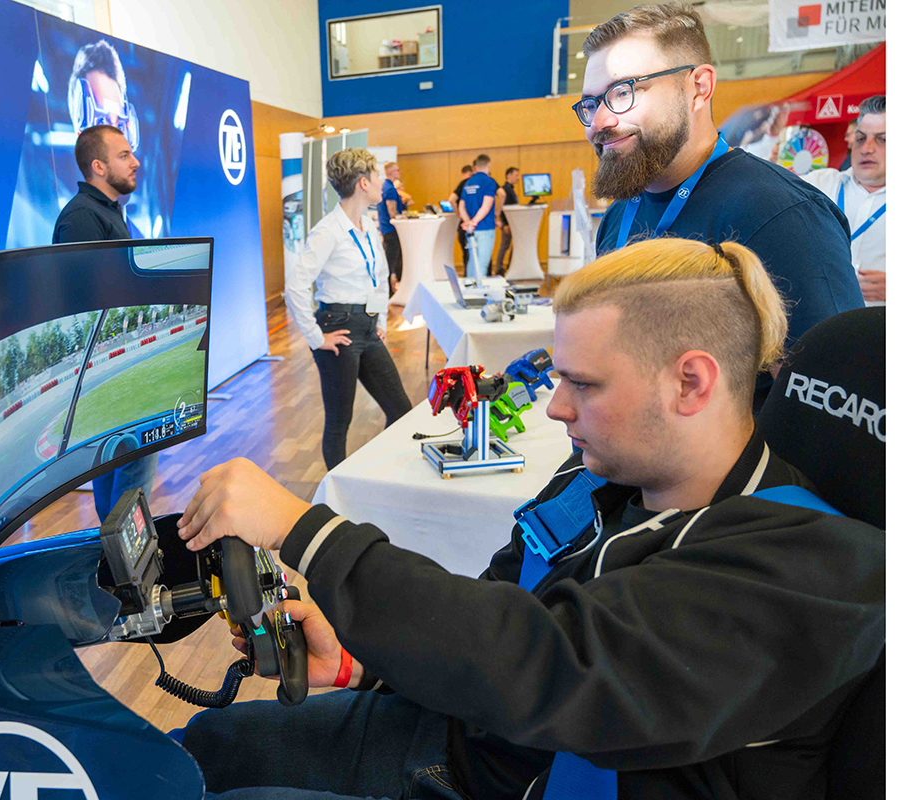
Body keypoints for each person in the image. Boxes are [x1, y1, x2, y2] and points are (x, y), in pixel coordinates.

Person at [175, 236, 884, 800]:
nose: (556, 407)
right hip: (480, 745)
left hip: (540, 769)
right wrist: (368, 663)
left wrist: (307, 531)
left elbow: (554, 664)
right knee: (200, 749)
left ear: (690, 382)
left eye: (584, 384)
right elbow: (504, 606)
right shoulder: (597, 474)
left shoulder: (810, 568)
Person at [576, 3, 862, 402]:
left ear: (699, 88)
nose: (598, 122)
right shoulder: (621, 213)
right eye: (590, 104)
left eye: (622, 92)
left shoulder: (781, 216)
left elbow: (837, 403)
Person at [51, 124, 156, 521]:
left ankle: (119, 559)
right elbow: (80, 300)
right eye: (124, 155)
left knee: (122, 462)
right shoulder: (81, 219)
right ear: (98, 166)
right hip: (105, 363)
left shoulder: (106, 212)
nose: (135, 162)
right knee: (130, 462)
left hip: (114, 360)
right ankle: (124, 561)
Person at [284, 149, 413, 471]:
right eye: (378, 175)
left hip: (368, 328)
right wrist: (317, 338)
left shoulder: (368, 226)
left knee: (401, 410)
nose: (384, 182)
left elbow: (380, 277)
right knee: (339, 421)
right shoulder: (328, 231)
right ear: (363, 182)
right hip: (337, 327)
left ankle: (373, 474)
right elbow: (296, 287)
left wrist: (379, 319)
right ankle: (337, 494)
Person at [802, 95, 885, 306]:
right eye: (860, 138)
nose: (866, 148)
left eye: (882, 139)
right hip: (822, 326)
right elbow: (763, 184)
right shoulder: (820, 185)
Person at [457, 154, 498, 283]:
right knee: (482, 261)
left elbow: (461, 206)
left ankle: (469, 286)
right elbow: (486, 206)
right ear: (488, 165)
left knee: (472, 260)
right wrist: (475, 221)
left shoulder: (468, 182)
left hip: (471, 229)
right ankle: (479, 289)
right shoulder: (489, 182)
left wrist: (469, 222)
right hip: (485, 227)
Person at [376, 161, 407, 296]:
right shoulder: (390, 189)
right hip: (392, 230)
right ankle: (390, 292)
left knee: (391, 260)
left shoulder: (384, 187)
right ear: (390, 173)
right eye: (397, 170)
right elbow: (392, 212)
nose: (399, 172)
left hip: (386, 228)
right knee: (392, 261)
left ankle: (391, 290)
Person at [495, 167, 521, 275]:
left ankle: (509, 265)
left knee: (508, 245)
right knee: (505, 245)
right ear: (508, 175)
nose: (518, 178)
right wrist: (504, 224)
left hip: (512, 222)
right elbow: (503, 208)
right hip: (508, 223)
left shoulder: (511, 189)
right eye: (516, 175)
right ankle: (499, 268)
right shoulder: (505, 189)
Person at [449, 164, 474, 273]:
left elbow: (452, 199)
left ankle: (467, 274)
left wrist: (458, 214)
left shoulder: (463, 184)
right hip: (475, 221)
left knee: (466, 251)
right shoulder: (473, 183)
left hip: (463, 222)